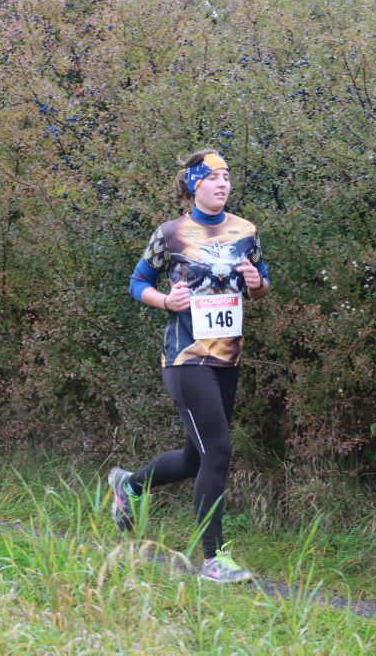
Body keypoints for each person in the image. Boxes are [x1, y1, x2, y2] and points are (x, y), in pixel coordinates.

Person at [109, 149, 270, 583]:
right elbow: (137, 282)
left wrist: (257, 283)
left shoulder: (246, 231)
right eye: (214, 176)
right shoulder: (171, 234)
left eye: (228, 177)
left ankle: (130, 485)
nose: (223, 183)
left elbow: (261, 283)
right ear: (195, 184)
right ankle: (214, 561)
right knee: (219, 451)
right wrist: (166, 300)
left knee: (195, 458)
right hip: (186, 359)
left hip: (227, 359)